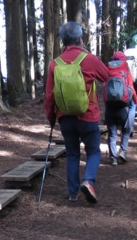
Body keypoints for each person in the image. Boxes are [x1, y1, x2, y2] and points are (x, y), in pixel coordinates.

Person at [44, 21, 109, 204]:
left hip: (66, 118)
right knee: (94, 152)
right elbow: (106, 76)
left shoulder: (54, 64)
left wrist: (51, 118)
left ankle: (73, 193)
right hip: (88, 116)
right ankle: (88, 181)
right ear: (80, 39)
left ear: (63, 41)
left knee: (72, 154)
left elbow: (49, 96)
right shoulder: (89, 59)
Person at [103, 51, 137, 165]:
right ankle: (123, 152)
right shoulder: (125, 72)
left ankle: (113, 158)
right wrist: (136, 100)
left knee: (112, 133)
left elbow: (104, 88)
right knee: (126, 130)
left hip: (109, 107)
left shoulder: (107, 70)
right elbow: (131, 88)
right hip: (123, 107)